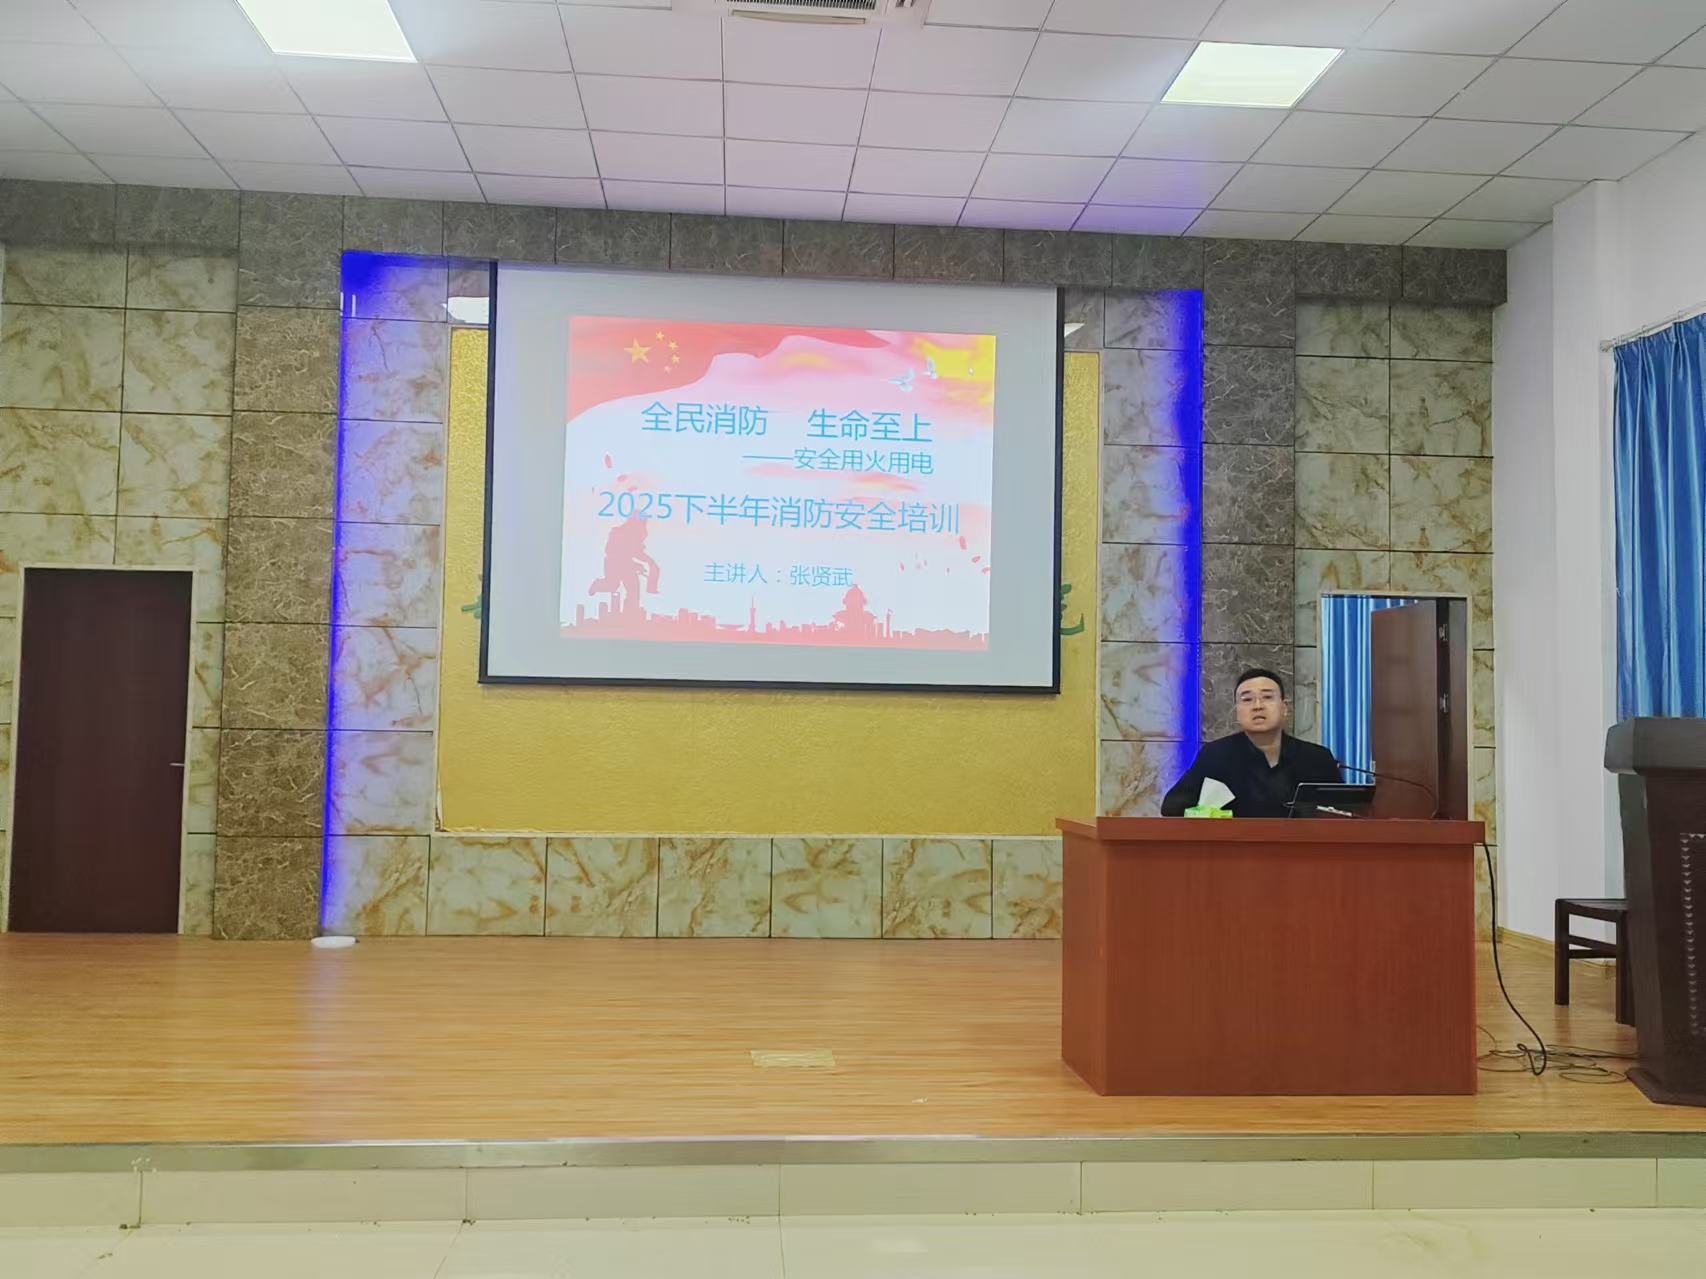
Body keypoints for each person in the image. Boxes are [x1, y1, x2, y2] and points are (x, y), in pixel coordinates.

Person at [1161, 668, 1342, 817]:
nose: (1257, 706)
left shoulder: (1317, 758)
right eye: (1247, 699)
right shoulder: (1216, 756)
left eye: (1267, 697)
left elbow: (1345, 814)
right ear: (1237, 712)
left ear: (1284, 708)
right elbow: (1172, 808)